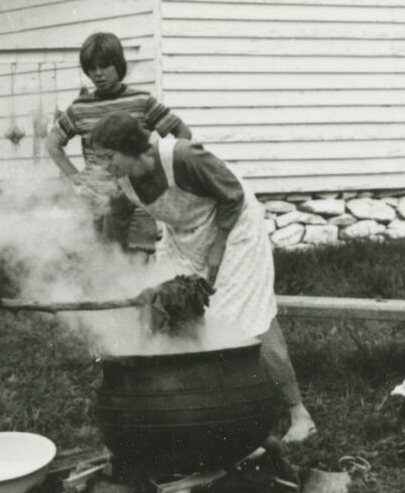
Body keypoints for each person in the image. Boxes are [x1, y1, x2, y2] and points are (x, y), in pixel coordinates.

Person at [84, 113, 316, 445]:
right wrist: (107, 274)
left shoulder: (182, 157)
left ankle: (298, 414)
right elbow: (116, 225)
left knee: (245, 320)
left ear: (131, 148)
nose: (105, 166)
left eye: (109, 157)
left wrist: (219, 248)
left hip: (235, 229)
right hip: (184, 237)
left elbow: (232, 195)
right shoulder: (123, 180)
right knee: (172, 309)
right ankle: (213, 403)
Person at [43, 31, 187, 249]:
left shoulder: (142, 101)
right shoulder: (80, 108)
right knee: (100, 269)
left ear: (118, 65)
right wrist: (76, 177)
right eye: (92, 68)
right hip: (95, 205)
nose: (98, 74)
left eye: (104, 66)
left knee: (138, 268)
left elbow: (183, 134)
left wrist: (160, 174)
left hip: (138, 203)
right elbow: (52, 143)